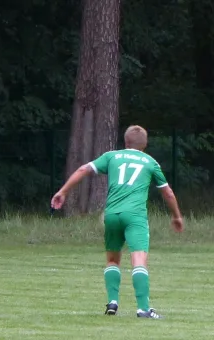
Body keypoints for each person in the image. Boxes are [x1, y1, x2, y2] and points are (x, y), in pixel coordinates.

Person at [51, 125, 184, 319]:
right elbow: (168, 192)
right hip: (135, 216)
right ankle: (143, 309)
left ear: (125, 142)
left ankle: (113, 302)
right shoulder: (150, 162)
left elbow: (83, 169)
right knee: (138, 260)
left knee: (113, 260)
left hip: (112, 215)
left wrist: (62, 191)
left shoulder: (112, 156)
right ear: (144, 145)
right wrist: (177, 216)